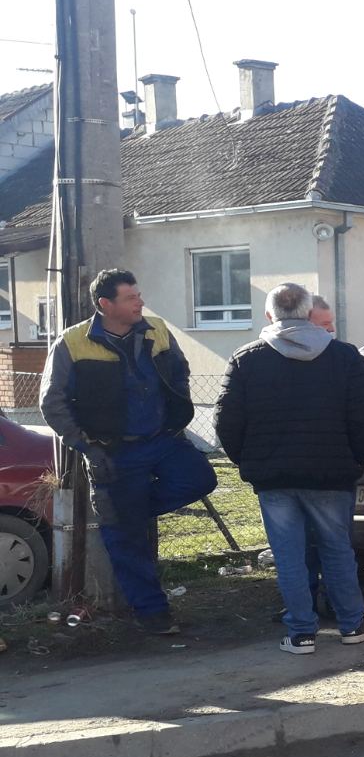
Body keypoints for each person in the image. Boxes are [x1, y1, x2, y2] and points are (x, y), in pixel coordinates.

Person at [40, 270, 218, 634]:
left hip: (163, 440)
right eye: (130, 297)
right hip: (113, 451)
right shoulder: (72, 342)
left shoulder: (157, 329)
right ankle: (153, 613)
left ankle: (125, 515)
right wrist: (86, 446)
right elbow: (52, 402)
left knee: (200, 478)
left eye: (139, 294)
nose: (140, 302)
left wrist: (176, 416)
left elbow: (180, 372)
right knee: (126, 538)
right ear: (106, 304)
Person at [216, 283, 364, 654]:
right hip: (332, 473)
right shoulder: (345, 357)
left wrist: (248, 462)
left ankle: (301, 633)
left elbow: (225, 420)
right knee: (337, 550)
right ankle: (353, 625)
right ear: (310, 314)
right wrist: (353, 455)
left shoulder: (247, 359)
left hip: (274, 478)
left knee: (289, 555)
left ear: (269, 315)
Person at [270, 292, 339, 624]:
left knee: (330, 547)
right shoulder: (267, 359)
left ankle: (325, 609)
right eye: (324, 325)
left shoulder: (340, 358)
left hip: (327, 471)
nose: (330, 331)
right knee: (299, 550)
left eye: (332, 325)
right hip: (291, 473)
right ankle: (306, 608)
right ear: (304, 322)